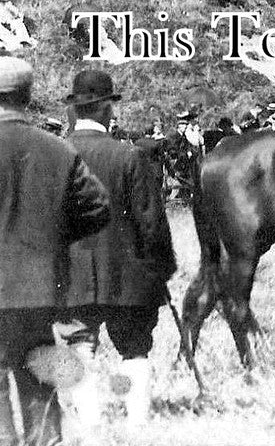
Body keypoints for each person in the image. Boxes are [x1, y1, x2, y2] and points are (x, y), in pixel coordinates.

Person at [0, 57, 111, 446]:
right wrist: (54, 240)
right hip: (41, 289)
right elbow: (98, 208)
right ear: (28, 97)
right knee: (38, 384)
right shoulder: (58, 150)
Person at [58, 70, 176, 434]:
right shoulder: (131, 157)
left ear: (74, 111)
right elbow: (151, 222)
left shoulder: (56, 155)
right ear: (108, 109)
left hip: (74, 277)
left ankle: (92, 429)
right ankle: (138, 427)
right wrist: (162, 269)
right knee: (136, 349)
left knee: (81, 347)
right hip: (130, 276)